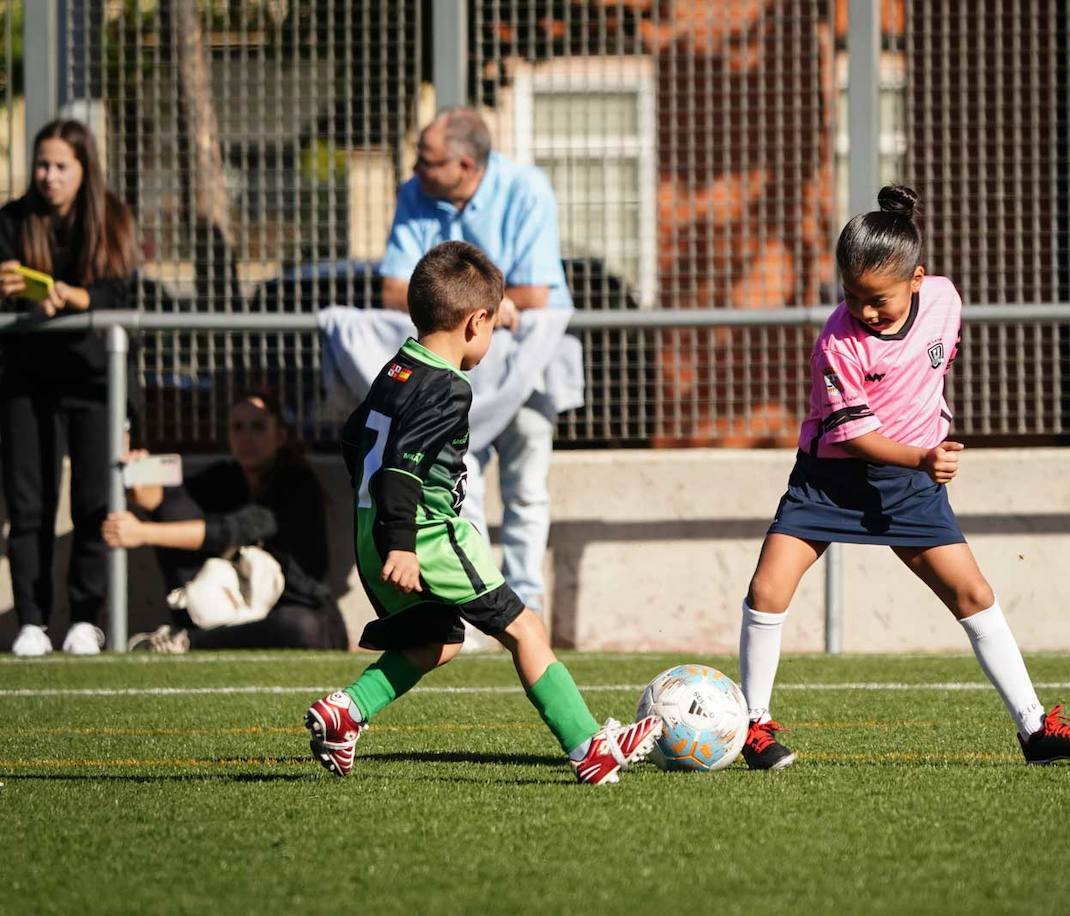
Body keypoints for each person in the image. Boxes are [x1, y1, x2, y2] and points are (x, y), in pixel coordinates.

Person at [736, 186, 1070, 770]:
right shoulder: (836, 342)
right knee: (767, 591)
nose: (864, 311)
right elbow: (852, 436)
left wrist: (924, 441)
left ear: (916, 280)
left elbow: (933, 366)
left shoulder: (944, 300)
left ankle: (1036, 729)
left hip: (907, 488)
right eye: (851, 296)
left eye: (877, 299)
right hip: (830, 480)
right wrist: (922, 457)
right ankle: (753, 728)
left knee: (974, 595)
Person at [306, 241, 659, 784]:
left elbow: (356, 437)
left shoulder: (397, 368)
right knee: (525, 628)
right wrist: (403, 542)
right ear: (476, 322)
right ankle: (589, 747)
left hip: (372, 528)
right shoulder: (447, 387)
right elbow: (402, 466)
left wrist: (378, 517)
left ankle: (346, 713)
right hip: (426, 535)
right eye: (493, 325)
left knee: (437, 640)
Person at [379, 106, 577, 616]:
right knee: (457, 489)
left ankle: (525, 604)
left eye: (427, 161)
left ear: (465, 165)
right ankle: (470, 603)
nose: (416, 170)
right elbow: (393, 289)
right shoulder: (415, 193)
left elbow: (536, 291)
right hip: (449, 370)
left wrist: (465, 302)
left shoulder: (526, 188)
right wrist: (487, 304)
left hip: (523, 364)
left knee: (526, 486)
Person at [0, 119, 139, 657]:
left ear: (84, 168)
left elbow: (120, 292)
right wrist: (17, 289)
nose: (50, 176)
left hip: (93, 380)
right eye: (43, 165)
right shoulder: (13, 220)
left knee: (93, 502)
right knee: (29, 506)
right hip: (26, 382)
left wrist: (74, 296)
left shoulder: (112, 218)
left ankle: (85, 619)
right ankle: (32, 622)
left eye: (61, 166)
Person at [101, 392, 348, 652]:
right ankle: (192, 624)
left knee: (299, 627)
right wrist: (136, 474)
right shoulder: (225, 477)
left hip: (293, 611)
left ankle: (185, 642)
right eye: (237, 427)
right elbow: (166, 502)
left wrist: (142, 533)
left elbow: (230, 531)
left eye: (258, 427)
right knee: (177, 510)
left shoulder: (297, 483)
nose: (246, 437)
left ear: (280, 436)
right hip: (233, 604)